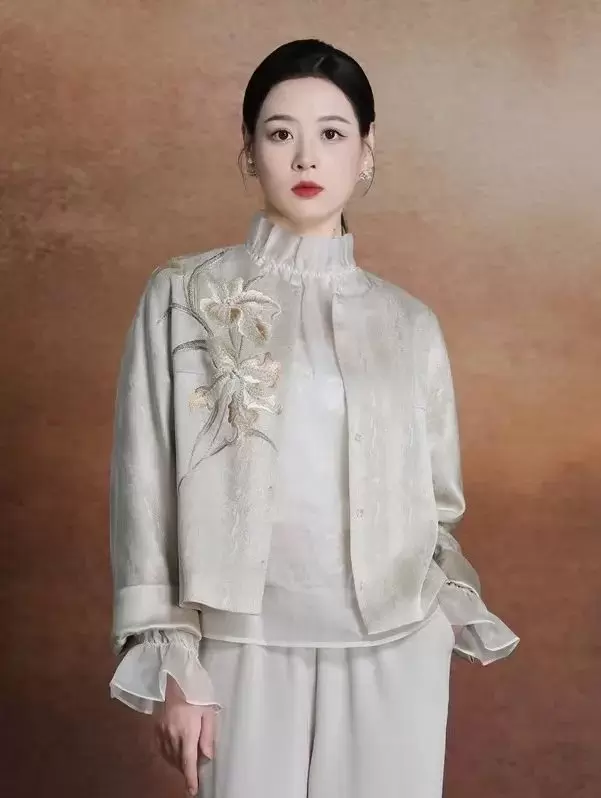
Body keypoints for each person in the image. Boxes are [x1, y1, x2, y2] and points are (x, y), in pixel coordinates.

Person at [109, 38, 519, 798]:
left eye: (331, 133)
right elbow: (145, 483)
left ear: (366, 152)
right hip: (241, 643)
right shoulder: (183, 295)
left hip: (394, 645)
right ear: (248, 151)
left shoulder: (408, 323)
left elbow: (436, 504)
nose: (305, 157)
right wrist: (174, 661)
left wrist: (437, 614)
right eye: (280, 133)